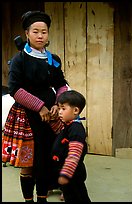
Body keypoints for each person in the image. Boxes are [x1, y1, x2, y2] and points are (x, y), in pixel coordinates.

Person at [2, 10, 69, 203]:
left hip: (50, 116)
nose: (40, 36)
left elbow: (61, 84)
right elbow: (15, 89)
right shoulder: (19, 59)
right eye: (35, 31)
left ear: (48, 34)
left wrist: (59, 103)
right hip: (27, 116)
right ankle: (28, 200)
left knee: (47, 158)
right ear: (27, 34)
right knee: (28, 162)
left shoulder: (53, 59)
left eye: (44, 32)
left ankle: (42, 199)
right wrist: (39, 107)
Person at [48, 90, 92, 203]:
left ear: (76, 110)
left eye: (63, 108)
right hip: (66, 172)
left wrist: (66, 173)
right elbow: (59, 134)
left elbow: (75, 153)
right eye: (59, 109)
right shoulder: (68, 124)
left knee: (79, 198)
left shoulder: (76, 130)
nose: (60, 112)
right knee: (70, 197)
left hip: (73, 174)